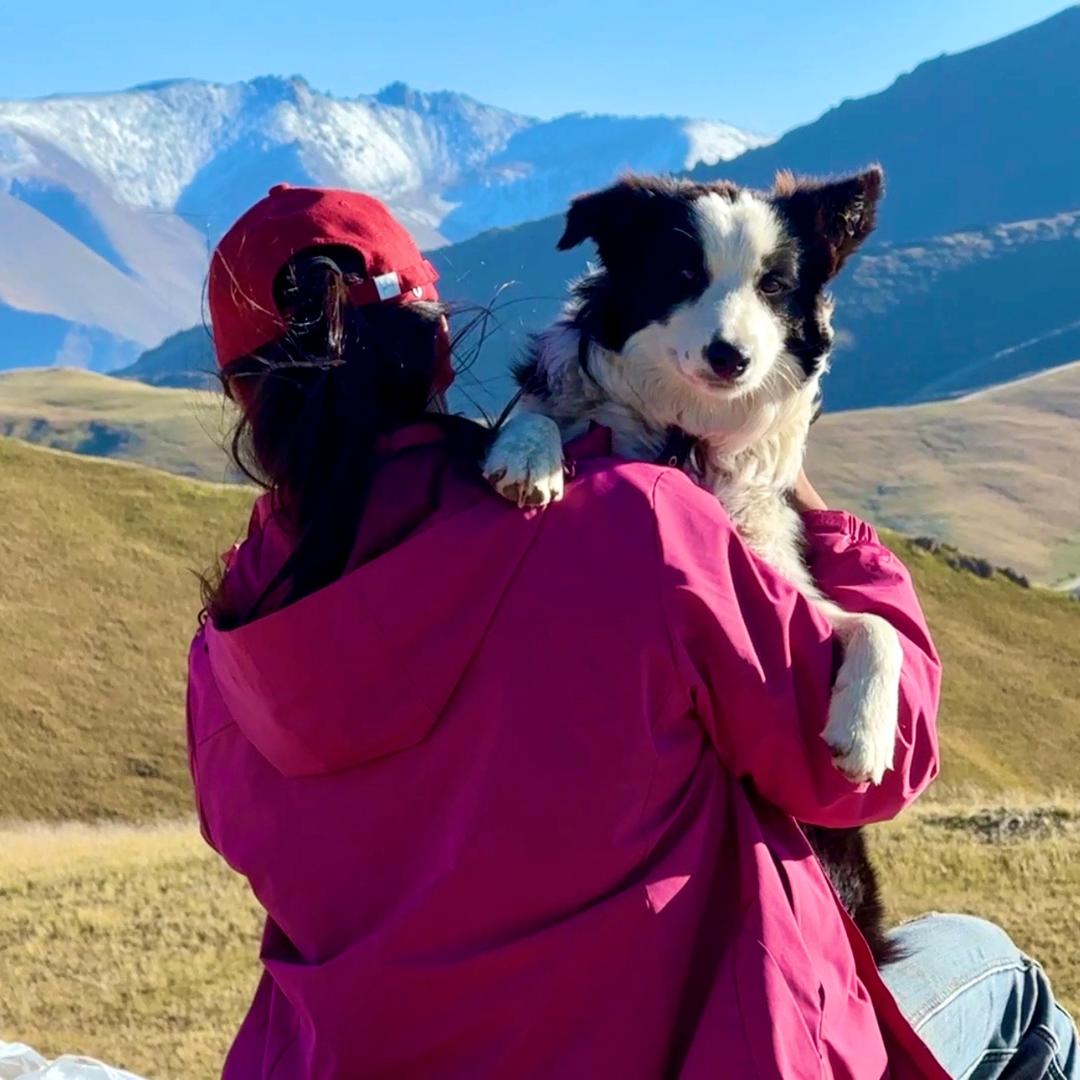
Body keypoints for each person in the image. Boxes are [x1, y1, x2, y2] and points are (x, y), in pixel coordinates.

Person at [187, 184, 1079, 1079]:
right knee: (996, 977)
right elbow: (867, 769)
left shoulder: (227, 647)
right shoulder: (641, 525)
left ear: (237, 392)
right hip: (693, 1051)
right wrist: (808, 502)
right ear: (440, 345)